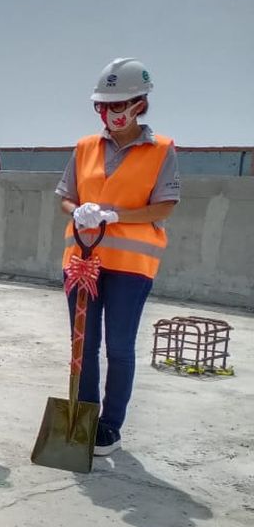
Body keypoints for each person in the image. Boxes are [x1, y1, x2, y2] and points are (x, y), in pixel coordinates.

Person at [56, 58, 179, 456]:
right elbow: (65, 196)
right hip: (82, 260)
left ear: (140, 103)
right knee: (82, 342)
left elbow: (163, 207)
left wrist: (115, 215)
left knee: (119, 347)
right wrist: (77, 209)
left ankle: (110, 426)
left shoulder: (161, 150)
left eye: (119, 105)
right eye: (104, 107)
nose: (111, 114)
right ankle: (84, 414)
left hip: (130, 267)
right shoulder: (85, 147)